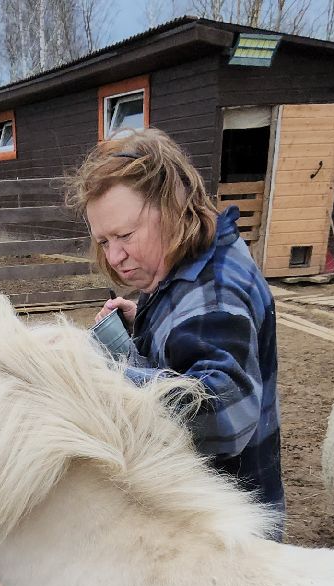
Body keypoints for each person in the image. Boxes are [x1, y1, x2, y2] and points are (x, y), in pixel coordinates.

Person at [69, 127, 284, 536]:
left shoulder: (215, 292)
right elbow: (194, 339)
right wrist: (141, 325)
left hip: (224, 533)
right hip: (212, 513)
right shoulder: (191, 262)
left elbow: (226, 415)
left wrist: (98, 376)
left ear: (171, 207)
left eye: (125, 235)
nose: (115, 256)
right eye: (104, 241)